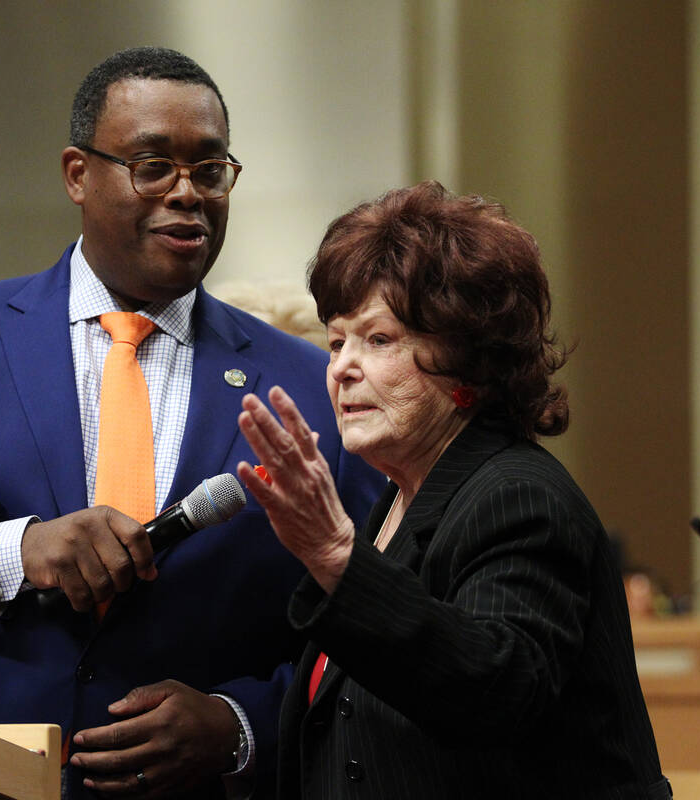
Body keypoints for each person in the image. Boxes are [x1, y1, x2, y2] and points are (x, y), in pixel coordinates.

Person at [0, 47, 384, 799]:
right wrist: (12, 553)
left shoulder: (308, 386)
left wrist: (240, 723)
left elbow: (372, 632)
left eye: (210, 170)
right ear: (78, 175)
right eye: (153, 165)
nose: (188, 193)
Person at [236, 181, 670, 799]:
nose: (341, 367)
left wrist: (337, 560)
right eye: (337, 341)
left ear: (465, 356)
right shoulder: (395, 500)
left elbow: (497, 691)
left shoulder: (519, 498)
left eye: (378, 339)